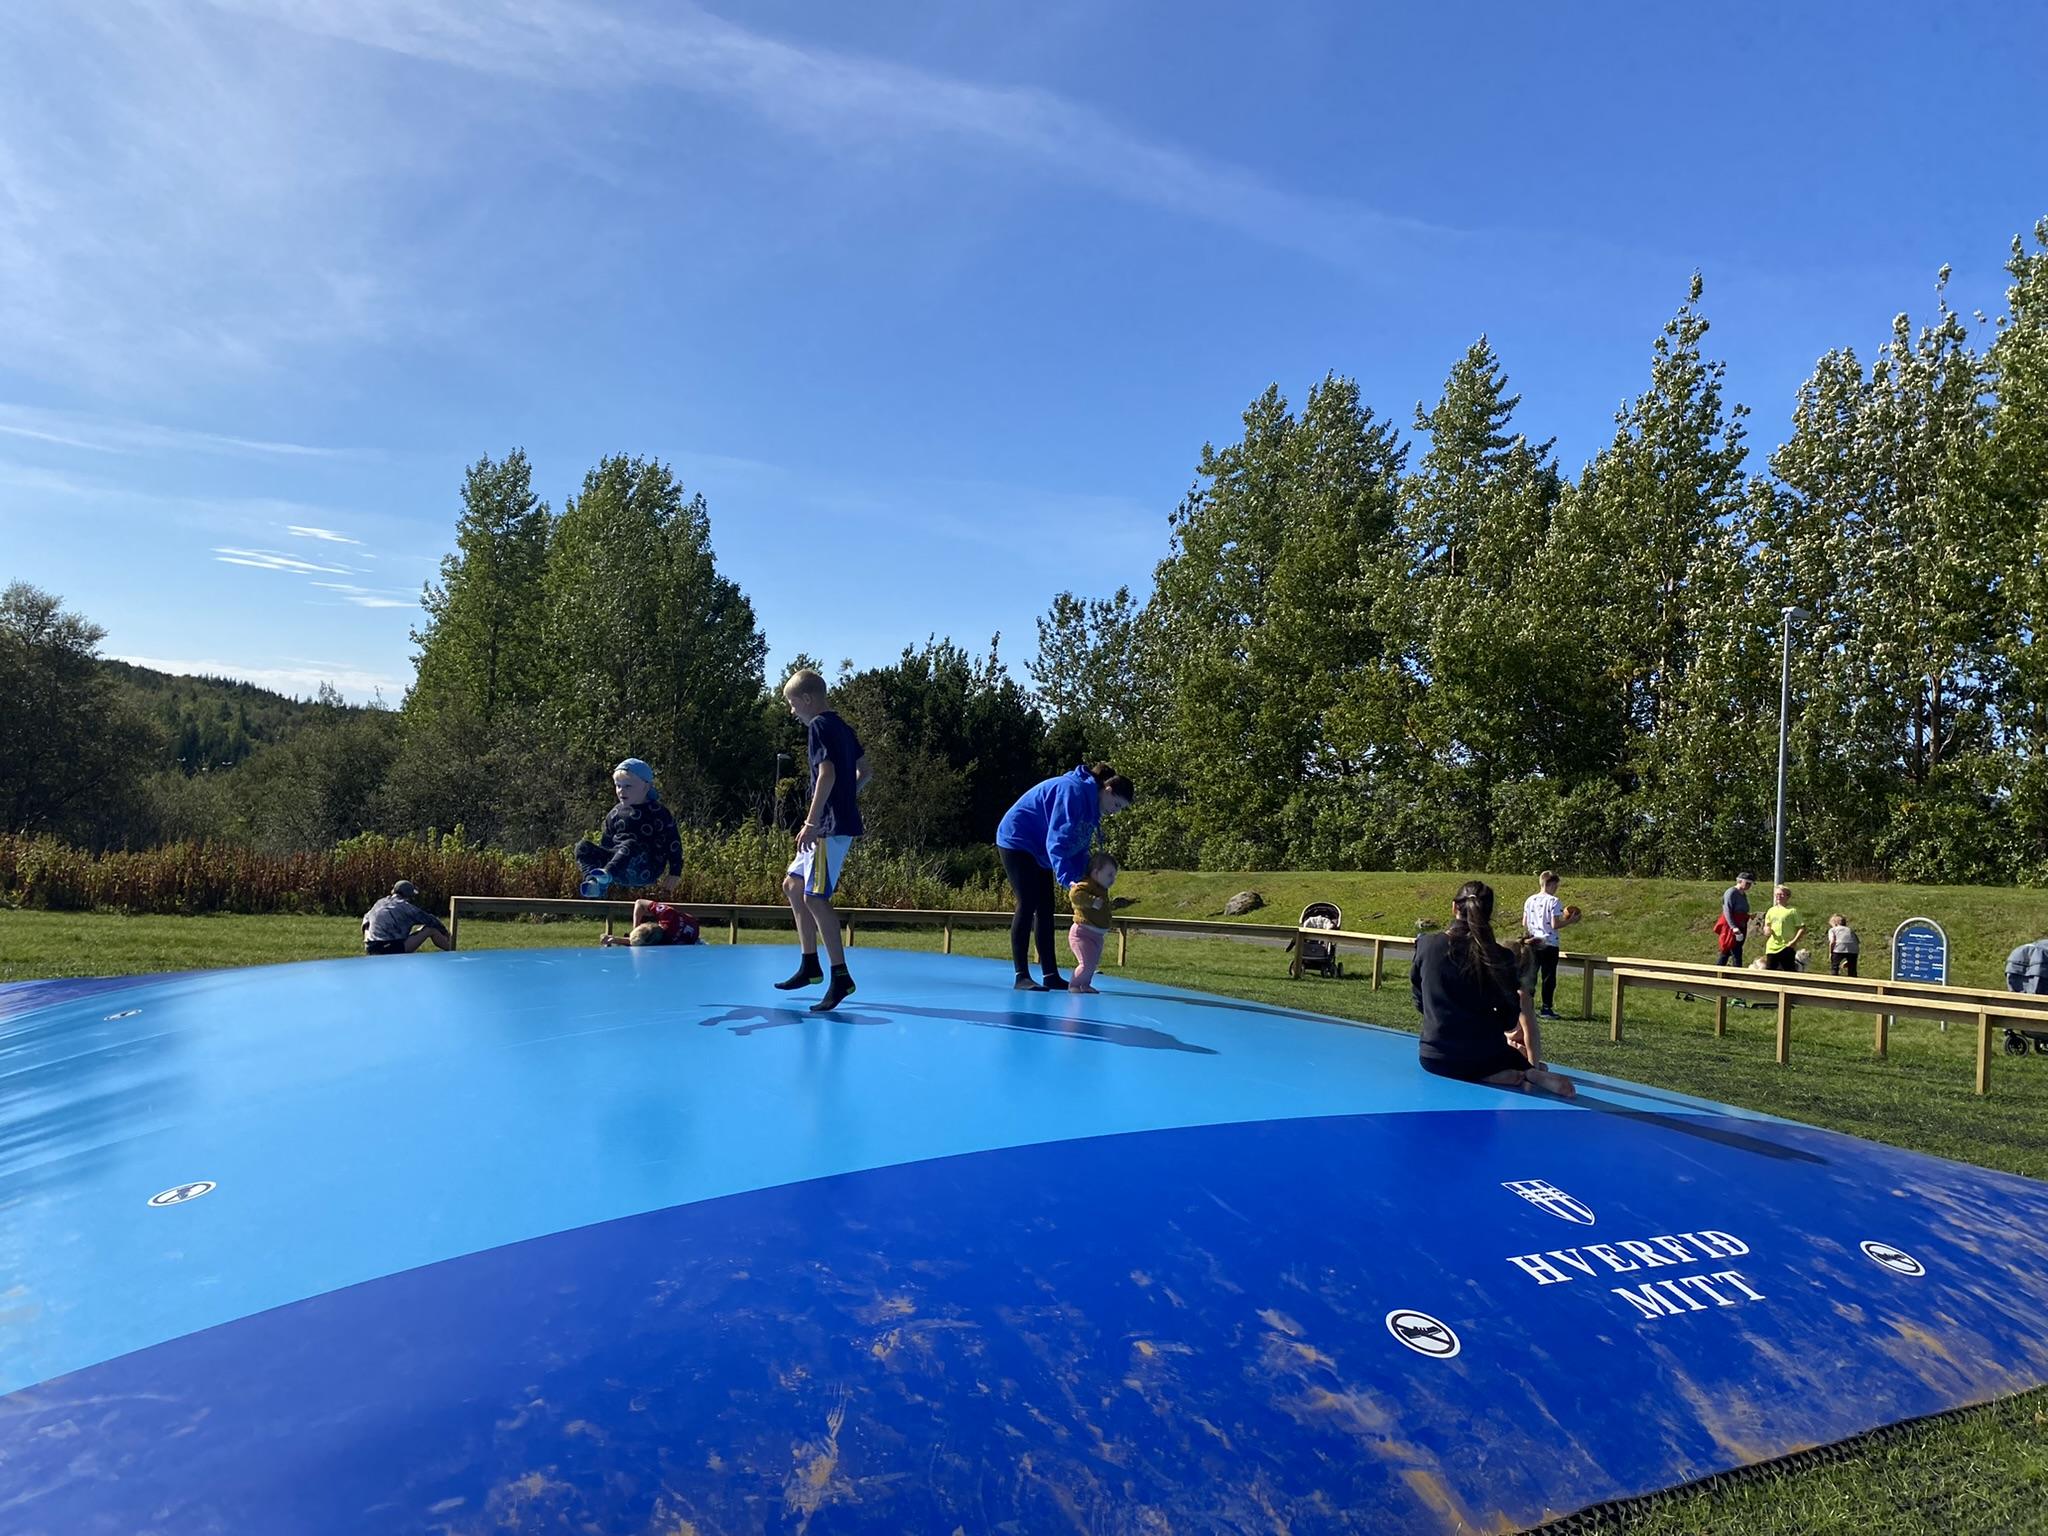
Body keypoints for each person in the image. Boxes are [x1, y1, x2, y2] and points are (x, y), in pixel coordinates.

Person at [1411, 880, 1574, 1098]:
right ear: (1488, 913)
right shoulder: (1501, 956)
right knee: (1510, 1058)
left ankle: (1491, 1073)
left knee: (1490, 1057)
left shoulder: (1426, 945)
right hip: (1483, 1054)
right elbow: (1508, 1019)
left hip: (1434, 1056)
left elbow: (1419, 1000)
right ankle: (1520, 1072)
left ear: (1454, 907)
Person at [772, 670, 869, 1012]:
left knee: (815, 897)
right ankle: (809, 964)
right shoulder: (842, 726)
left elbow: (826, 773)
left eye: (792, 703)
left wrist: (812, 822)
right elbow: (865, 770)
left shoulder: (818, 726)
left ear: (807, 700)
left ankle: (840, 976)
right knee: (792, 885)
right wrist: (846, 797)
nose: (791, 711)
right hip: (832, 820)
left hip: (828, 828)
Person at [996, 762, 1134, 991]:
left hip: (1039, 849)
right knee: (1028, 902)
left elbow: (1078, 847)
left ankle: (1050, 974)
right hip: (1017, 839)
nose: (1115, 811)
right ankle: (1021, 976)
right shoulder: (1073, 792)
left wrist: (1086, 880)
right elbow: (1057, 842)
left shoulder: (1093, 807)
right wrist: (1068, 880)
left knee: (1046, 908)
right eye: (1116, 804)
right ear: (1107, 790)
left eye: (1121, 809)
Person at [574, 759, 683, 899]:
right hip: (618, 870)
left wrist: (675, 872)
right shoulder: (614, 814)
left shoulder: (658, 812)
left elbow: (674, 843)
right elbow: (606, 844)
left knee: (630, 844)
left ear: (646, 787)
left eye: (627, 786)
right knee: (582, 846)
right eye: (618, 786)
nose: (621, 790)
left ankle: (607, 874)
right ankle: (594, 883)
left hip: (646, 868)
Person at [1519, 870, 1580, 1020]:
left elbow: (1524, 922)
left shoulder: (1530, 900)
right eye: (1556, 885)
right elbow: (1555, 924)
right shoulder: (1554, 901)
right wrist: (1570, 921)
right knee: (1548, 976)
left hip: (1532, 942)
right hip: (1549, 943)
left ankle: (1527, 1006)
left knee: (1530, 975)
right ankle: (1546, 1008)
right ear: (1551, 884)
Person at [1065, 852, 1118, 994]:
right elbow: (1074, 894)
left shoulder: (1101, 888)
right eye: (1109, 875)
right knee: (1085, 963)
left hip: (1097, 936)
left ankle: (1085, 985)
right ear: (1095, 872)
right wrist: (1092, 901)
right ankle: (1074, 985)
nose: (1113, 879)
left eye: (1114, 876)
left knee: (1092, 964)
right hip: (1082, 933)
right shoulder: (1086, 884)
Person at [361, 880, 454, 955]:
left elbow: (366, 921)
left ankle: (373, 949)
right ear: (409, 895)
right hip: (390, 948)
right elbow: (431, 920)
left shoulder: (380, 902)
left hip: (371, 947)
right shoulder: (406, 907)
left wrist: (369, 940)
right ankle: (452, 951)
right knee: (430, 929)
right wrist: (445, 933)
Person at [600, 899, 700, 947]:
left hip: (694, 943)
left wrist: (616, 940)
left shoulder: (665, 944)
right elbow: (639, 903)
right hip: (692, 931)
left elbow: (642, 942)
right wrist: (635, 930)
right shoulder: (667, 913)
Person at [1761, 884, 1806, 972]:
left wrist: (1794, 942)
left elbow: (1802, 928)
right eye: (1777, 895)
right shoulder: (1771, 910)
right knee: (1770, 972)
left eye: (1781, 894)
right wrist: (1766, 930)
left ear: (1787, 896)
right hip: (1772, 947)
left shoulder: (1792, 911)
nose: (1779, 897)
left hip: (1786, 946)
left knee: (1789, 972)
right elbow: (1767, 925)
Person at [1716, 872, 1755, 967]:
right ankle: (1736, 971)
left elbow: (1740, 910)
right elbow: (1727, 911)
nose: (1749, 886)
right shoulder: (1731, 892)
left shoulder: (1743, 894)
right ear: (1740, 881)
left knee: (1729, 951)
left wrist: (1748, 916)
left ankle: (1719, 969)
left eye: (1751, 884)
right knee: (1734, 950)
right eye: (1747, 883)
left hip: (1741, 924)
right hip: (1732, 926)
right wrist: (1733, 927)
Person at [1826, 913, 1859, 977]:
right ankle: (1853, 981)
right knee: (1852, 968)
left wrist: (1831, 953)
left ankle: (1834, 979)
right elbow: (1856, 942)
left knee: (1835, 966)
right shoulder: (1850, 930)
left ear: (1835, 924)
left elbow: (1832, 942)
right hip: (1853, 950)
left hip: (1838, 948)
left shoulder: (1833, 930)